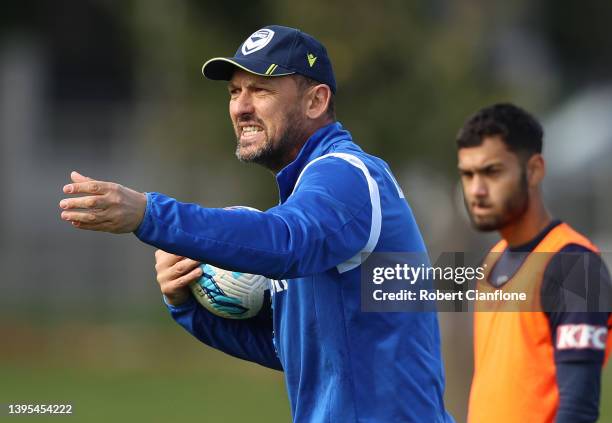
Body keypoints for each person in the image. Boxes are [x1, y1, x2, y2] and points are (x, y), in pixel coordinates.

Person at [59, 25, 453, 422]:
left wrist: (150, 213)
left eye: (261, 90)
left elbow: (284, 241)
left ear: (316, 101)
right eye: (234, 91)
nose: (240, 107)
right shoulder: (311, 192)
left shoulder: (346, 174)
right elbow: (296, 350)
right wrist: (188, 304)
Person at [455, 103, 612, 423]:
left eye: (492, 172)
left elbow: (578, 410)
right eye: (468, 175)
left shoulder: (575, 267)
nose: (477, 190)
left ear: (535, 170)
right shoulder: (493, 259)